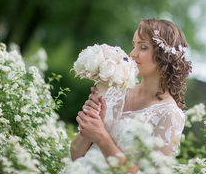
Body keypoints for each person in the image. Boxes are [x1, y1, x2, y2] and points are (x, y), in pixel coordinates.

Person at [68, 18, 192, 173]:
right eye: (134, 45)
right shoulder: (114, 90)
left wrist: (101, 137)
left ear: (164, 57)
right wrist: (89, 126)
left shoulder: (171, 115)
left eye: (143, 47)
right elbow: (75, 154)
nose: (132, 54)